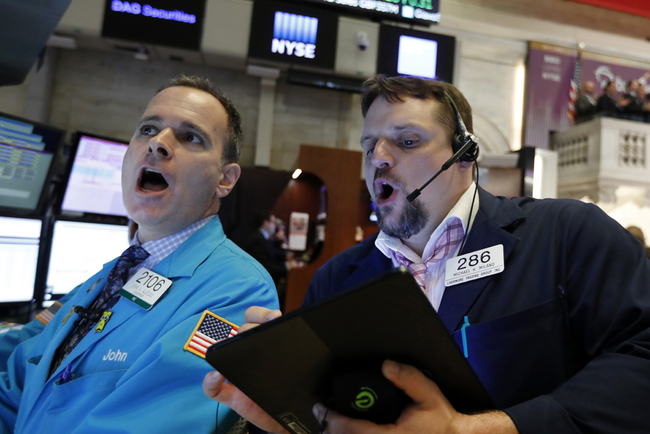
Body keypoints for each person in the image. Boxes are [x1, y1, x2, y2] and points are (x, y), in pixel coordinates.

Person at [203, 75, 650, 434]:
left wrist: (475, 430)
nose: (378, 157)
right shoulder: (337, 279)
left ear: (464, 155)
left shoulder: (567, 233)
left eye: (407, 141)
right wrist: (290, 415)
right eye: (369, 145)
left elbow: (641, 357)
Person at [0, 75, 279, 433]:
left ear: (225, 179)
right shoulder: (110, 276)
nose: (158, 144)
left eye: (190, 137)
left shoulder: (236, 290)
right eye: (148, 129)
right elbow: (19, 381)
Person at [243, 211, 290, 307]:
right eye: (273, 222)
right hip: (257, 285)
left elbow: (276, 256)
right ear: (266, 223)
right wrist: (286, 268)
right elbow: (265, 266)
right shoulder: (258, 239)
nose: (275, 226)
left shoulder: (264, 238)